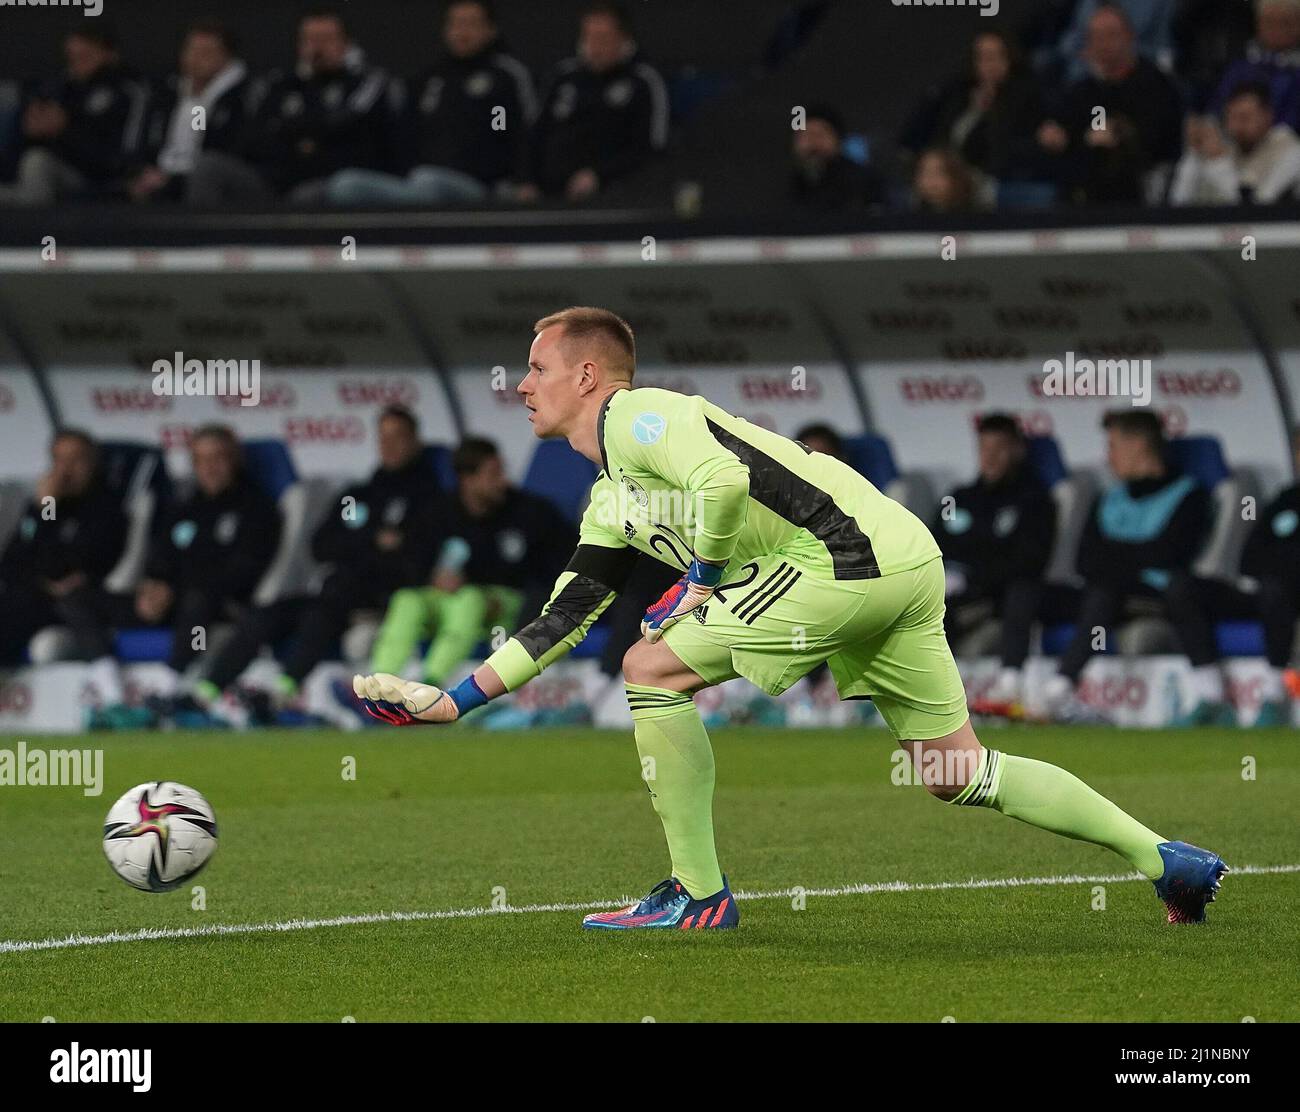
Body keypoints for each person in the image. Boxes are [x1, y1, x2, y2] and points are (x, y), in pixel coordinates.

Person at [353, 306, 1229, 930]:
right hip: (900, 560)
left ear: (587, 375)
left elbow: (724, 484)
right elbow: (561, 620)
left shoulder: (641, 413)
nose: (522, 385)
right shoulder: (608, 501)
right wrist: (452, 702)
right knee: (953, 770)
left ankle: (698, 892)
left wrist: (698, 580)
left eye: (536, 367)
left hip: (842, 560)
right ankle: (1169, 860)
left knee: (650, 669)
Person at [191, 406, 438, 724]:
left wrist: (361, 547)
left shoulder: (429, 498)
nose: (389, 446)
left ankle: (285, 692)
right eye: (383, 438)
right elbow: (321, 546)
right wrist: (374, 540)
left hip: (376, 599)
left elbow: (415, 560)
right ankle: (205, 692)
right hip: (333, 592)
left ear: (415, 441)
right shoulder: (359, 495)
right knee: (267, 615)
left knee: (324, 610)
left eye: (398, 438)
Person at [336, 436, 572, 721]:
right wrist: (432, 577)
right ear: (467, 479)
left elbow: (563, 563)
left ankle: (429, 688)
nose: (501, 481)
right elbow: (408, 560)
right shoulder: (438, 512)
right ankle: (377, 691)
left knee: (470, 600)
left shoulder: (530, 512)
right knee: (407, 600)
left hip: (505, 601)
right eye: (492, 474)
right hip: (449, 598)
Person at [1043, 411, 1224, 725]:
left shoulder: (1189, 494)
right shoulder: (1108, 498)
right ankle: (1059, 691)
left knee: (1125, 588)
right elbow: (1084, 560)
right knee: (1081, 591)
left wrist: (1115, 556)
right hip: (1111, 595)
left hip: (1163, 596)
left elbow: (1171, 553)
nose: (1107, 456)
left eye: (1113, 446)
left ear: (1139, 445)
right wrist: (1136, 557)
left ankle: (1211, 695)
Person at [136, 426, 281, 724]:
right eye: (201, 460)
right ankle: (106, 696)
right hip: (174, 601)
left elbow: (243, 570)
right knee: (82, 600)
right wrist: (155, 585)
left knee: (198, 599)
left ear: (235, 460)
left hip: (224, 604)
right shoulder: (183, 506)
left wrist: (174, 588)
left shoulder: (256, 507)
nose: (210, 468)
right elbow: (161, 555)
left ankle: (166, 687)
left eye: (218, 458)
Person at [327, 0, 535, 207]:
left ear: (490, 30)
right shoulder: (428, 79)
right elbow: (404, 135)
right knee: (346, 184)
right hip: (416, 182)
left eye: (471, 24)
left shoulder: (505, 76)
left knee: (428, 180)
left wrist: (522, 180)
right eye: (456, 24)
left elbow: (525, 131)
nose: (463, 32)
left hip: (480, 186)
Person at [0, 430, 132, 722]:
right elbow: (12, 562)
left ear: (93, 464)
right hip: (32, 596)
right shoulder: (45, 506)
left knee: (30, 605)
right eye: (59, 460)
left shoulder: (107, 508)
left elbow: (75, 561)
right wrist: (45, 507)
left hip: (81, 602)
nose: (66, 470)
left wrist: (47, 578)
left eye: (76, 460)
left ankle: (114, 701)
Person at [937, 414, 1056, 710]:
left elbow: (1029, 560)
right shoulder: (959, 499)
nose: (989, 458)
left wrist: (973, 573)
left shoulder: (1035, 500)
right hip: (959, 593)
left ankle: (1009, 685)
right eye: (983, 449)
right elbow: (932, 545)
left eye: (998, 449)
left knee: (1021, 589)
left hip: (1003, 595)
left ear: (1017, 450)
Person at [518, 2, 668, 202]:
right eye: (588, 38)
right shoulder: (563, 76)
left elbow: (651, 150)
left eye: (603, 39)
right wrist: (526, 180)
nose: (594, 47)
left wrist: (599, 175)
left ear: (624, 40)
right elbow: (534, 134)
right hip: (545, 192)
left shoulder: (643, 81)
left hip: (609, 192)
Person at [1037, 4, 1184, 204]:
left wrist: (1118, 135)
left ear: (1129, 37)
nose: (1103, 44)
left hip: (1142, 192)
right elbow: (1064, 128)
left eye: (1110, 35)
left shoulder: (1155, 85)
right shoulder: (1082, 89)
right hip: (1084, 196)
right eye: (1095, 37)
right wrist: (1057, 135)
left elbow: (1156, 141)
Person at [0, 26, 148, 206]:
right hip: (49, 178)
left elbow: (119, 160)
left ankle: (34, 232)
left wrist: (64, 130)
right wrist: (29, 130)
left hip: (101, 181)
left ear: (109, 54)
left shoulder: (128, 92)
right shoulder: (62, 88)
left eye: (85, 57)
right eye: (72, 58)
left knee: (37, 162)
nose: (76, 65)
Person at [128, 21, 251, 205]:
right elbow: (145, 142)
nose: (194, 59)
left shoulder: (243, 97)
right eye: (191, 51)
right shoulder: (166, 93)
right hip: (159, 174)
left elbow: (226, 151)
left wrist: (174, 178)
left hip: (204, 180)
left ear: (226, 57)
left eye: (206, 53)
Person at [1172, 80, 1300, 204]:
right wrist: (1194, 154)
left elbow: (1254, 212)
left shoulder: (1290, 151)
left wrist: (1217, 161)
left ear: (1267, 115)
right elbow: (1178, 202)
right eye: (1231, 117)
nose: (1236, 127)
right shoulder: (1226, 145)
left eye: (1244, 118)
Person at [789, 103, 885, 212]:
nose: (812, 143)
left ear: (837, 140)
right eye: (804, 135)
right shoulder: (789, 186)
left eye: (819, 135)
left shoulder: (864, 182)